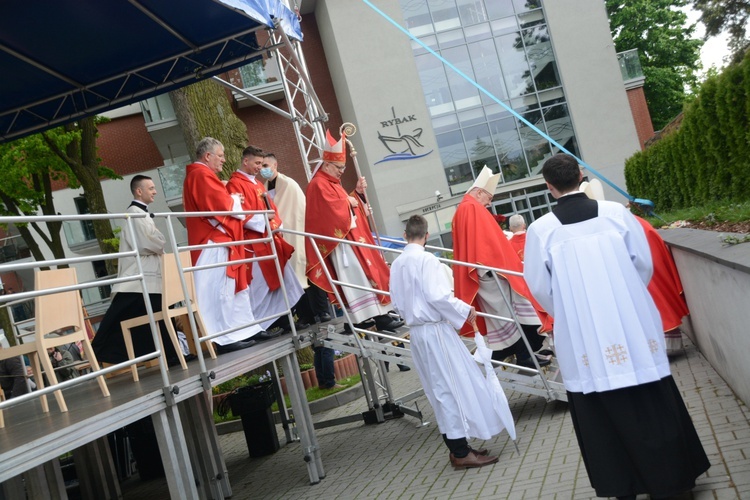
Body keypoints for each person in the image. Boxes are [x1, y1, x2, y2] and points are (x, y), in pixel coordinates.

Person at [524, 153, 709, 499]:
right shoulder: (615, 214)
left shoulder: (541, 229)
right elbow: (643, 264)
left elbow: (538, 287)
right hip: (630, 325)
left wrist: (570, 310)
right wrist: (627, 298)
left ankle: (622, 486)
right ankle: (673, 480)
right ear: (581, 176)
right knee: (650, 399)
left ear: (549, 188)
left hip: (584, 338)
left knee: (601, 409)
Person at [390, 215, 507, 469]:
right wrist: (464, 309)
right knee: (450, 388)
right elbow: (438, 295)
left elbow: (397, 303)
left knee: (438, 389)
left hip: (418, 333)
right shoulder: (427, 259)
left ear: (405, 236)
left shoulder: (397, 264)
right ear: (427, 235)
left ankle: (458, 445)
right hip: (435, 331)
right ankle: (460, 451)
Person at [451, 166, 551, 369]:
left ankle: (509, 353)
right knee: (509, 314)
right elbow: (481, 246)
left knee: (508, 316)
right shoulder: (470, 208)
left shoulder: (467, 207)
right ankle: (522, 355)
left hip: (488, 272)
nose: (489, 203)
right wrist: (495, 269)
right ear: (478, 192)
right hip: (489, 273)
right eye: (488, 197)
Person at [304, 129, 401, 333]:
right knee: (357, 277)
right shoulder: (318, 184)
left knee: (367, 275)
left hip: (352, 239)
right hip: (341, 245)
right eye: (339, 167)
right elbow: (331, 212)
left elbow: (343, 204)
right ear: (327, 164)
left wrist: (356, 194)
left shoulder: (332, 182)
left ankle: (376, 315)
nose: (342, 171)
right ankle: (363, 318)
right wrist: (349, 202)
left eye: (344, 167)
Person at [580, 180, 690, 355]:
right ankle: (665, 345)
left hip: (640, 271)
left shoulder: (615, 222)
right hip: (642, 268)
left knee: (654, 302)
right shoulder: (625, 219)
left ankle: (664, 347)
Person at [261, 153, 338, 388]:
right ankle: (303, 316)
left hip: (296, 234)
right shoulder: (263, 186)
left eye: (266, 165)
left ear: (275, 165)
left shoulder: (289, 184)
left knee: (306, 275)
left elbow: (293, 210)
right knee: (293, 281)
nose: (262, 169)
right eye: (260, 165)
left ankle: (319, 313)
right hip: (280, 236)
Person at [182, 137, 266, 354]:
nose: (223, 160)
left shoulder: (203, 175)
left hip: (218, 239)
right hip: (211, 241)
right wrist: (235, 199)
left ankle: (243, 330)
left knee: (229, 288)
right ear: (207, 156)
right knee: (219, 290)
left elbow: (221, 201)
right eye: (220, 155)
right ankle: (222, 337)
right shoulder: (200, 174)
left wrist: (231, 198)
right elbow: (223, 205)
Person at [92, 175, 180, 365]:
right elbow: (154, 242)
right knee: (134, 314)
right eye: (151, 188)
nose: (155, 191)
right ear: (139, 191)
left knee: (159, 310)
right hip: (140, 275)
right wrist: (159, 239)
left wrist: (158, 239)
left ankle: (170, 354)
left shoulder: (142, 213)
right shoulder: (134, 213)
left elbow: (155, 240)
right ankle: (168, 355)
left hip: (149, 273)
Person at [226, 146, 304, 337]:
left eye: (262, 164)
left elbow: (273, 209)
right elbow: (240, 215)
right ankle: (260, 325)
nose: (260, 168)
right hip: (252, 245)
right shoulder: (235, 185)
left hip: (267, 239)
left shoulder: (259, 185)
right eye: (257, 163)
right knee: (260, 289)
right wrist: (266, 222)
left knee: (284, 280)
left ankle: (285, 320)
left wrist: (274, 223)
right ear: (246, 161)